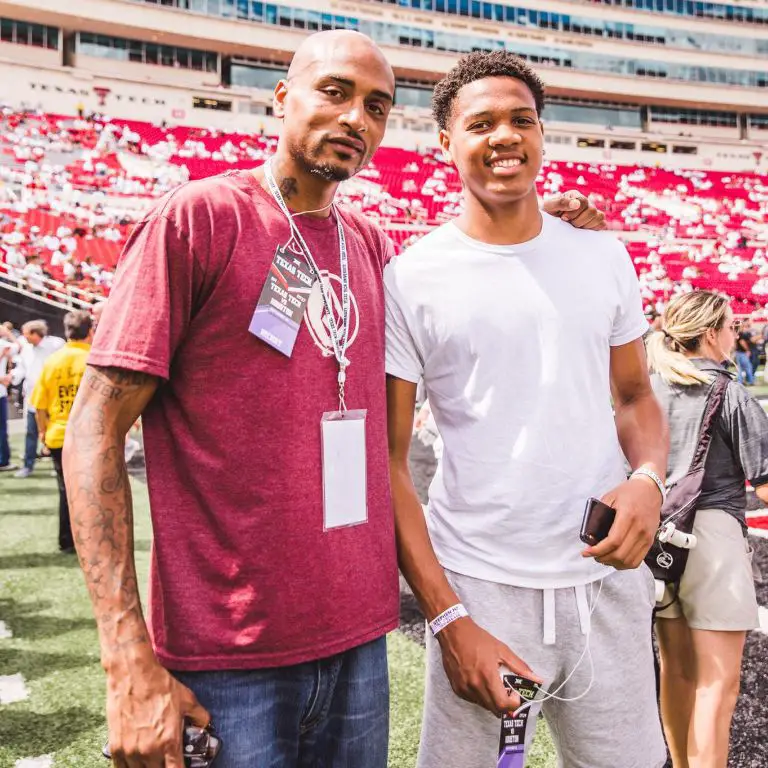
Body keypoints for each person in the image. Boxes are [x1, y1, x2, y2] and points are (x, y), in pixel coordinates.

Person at [64, 31, 608, 768]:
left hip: (360, 642)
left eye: (377, 106)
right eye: (336, 92)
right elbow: (94, 427)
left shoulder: (372, 244)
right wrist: (126, 659)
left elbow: (472, 265)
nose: (357, 118)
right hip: (230, 651)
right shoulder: (198, 220)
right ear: (282, 97)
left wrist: (548, 225)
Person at [385, 51, 669, 768]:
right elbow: (385, 460)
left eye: (522, 120)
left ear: (542, 135)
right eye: (481, 122)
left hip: (605, 580)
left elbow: (636, 398)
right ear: (444, 142)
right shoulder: (412, 277)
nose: (505, 136)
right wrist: (447, 617)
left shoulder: (602, 253)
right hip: (481, 586)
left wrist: (648, 480)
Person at [646, 291, 766, 768]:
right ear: (711, 333)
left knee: (675, 671)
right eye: (731, 326)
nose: (735, 335)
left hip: (655, 536)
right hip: (711, 535)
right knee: (718, 681)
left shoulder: (650, 388)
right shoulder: (727, 390)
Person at [29, 310, 93, 553]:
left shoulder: (53, 361)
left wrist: (44, 434)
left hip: (59, 435)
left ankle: (67, 540)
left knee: (66, 489)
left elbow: (40, 406)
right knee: (93, 491)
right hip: (91, 436)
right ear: (90, 331)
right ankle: (90, 540)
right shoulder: (94, 360)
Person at [10, 319, 64, 478]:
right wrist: (11, 377)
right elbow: (21, 370)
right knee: (31, 432)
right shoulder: (26, 349)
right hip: (33, 398)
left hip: (53, 400)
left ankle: (58, 465)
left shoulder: (56, 345)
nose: (24, 337)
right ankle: (28, 465)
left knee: (54, 433)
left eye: (26, 333)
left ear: (35, 333)